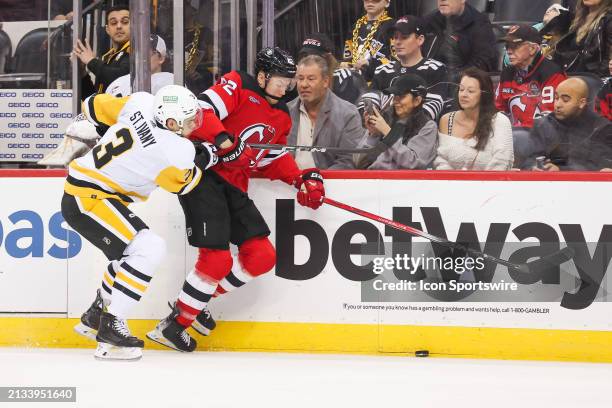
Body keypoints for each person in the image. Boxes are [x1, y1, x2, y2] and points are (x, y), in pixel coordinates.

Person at [145, 48, 326, 352]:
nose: (285, 89)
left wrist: (300, 179)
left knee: (262, 257)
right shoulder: (237, 84)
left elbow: (271, 158)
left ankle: (192, 302)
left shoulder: (281, 116)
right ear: (263, 76)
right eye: (280, 82)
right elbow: (198, 111)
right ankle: (174, 327)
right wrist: (223, 141)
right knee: (217, 260)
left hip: (235, 187)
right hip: (204, 177)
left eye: (288, 83)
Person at [63, 85, 218, 360]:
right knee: (149, 248)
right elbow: (185, 183)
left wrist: (103, 130)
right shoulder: (177, 150)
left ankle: (96, 315)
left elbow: (91, 105)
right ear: (171, 122)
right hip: (89, 198)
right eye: (188, 120)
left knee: (129, 257)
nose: (195, 123)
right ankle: (112, 328)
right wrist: (208, 155)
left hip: (88, 191)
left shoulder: (140, 102)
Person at [38, 34, 174, 167]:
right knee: (80, 123)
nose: (140, 59)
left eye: (146, 54)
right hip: (117, 148)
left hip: (150, 149)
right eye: (137, 54)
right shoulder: (119, 82)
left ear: (161, 58)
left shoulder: (170, 82)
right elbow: (98, 110)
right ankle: (61, 166)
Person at [287, 55, 363, 169]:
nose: (304, 85)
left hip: (328, 184)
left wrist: (316, 180)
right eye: (300, 78)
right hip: (288, 182)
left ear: (325, 81)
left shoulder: (348, 114)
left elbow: (347, 161)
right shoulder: (286, 111)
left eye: (311, 79)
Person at [370, 15, 449, 121]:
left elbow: (432, 109)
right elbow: (367, 103)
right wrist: (371, 119)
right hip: (379, 132)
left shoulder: (436, 69)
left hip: (418, 133)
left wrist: (393, 128)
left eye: (404, 37)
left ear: (420, 40)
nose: (397, 42)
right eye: (395, 37)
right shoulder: (382, 70)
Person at [525, 77, 612, 171]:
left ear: (582, 103)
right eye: (556, 98)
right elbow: (527, 161)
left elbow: (599, 168)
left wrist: (560, 170)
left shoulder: (601, 128)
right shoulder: (543, 124)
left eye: (565, 100)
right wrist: (533, 167)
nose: (558, 105)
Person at [435, 68, 514, 170]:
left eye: (470, 91)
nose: (463, 95)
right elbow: (441, 161)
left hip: (490, 184)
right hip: (452, 184)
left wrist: (480, 184)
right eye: (461, 89)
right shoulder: (446, 120)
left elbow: (501, 162)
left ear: (484, 94)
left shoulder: (500, 121)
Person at [354, 74, 438, 169]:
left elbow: (414, 163)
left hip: (403, 182)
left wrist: (388, 133)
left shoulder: (428, 126)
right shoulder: (384, 118)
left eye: (401, 96)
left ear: (417, 100)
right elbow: (357, 162)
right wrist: (373, 135)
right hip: (370, 180)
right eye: (395, 96)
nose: (395, 101)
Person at [495, 24, 567, 128]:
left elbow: (551, 118)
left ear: (532, 49)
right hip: (512, 136)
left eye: (515, 46)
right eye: (507, 46)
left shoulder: (552, 73)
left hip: (542, 137)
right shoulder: (507, 73)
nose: (509, 51)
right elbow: (498, 111)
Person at [422, 0, 498, 80]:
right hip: (431, 80)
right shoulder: (429, 21)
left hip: (463, 83)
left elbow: (482, 63)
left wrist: (453, 77)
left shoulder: (480, 24)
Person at [73, 4, 130, 93]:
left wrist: (91, 61)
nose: (119, 26)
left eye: (125, 22)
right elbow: (93, 99)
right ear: (107, 29)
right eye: (113, 23)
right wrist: (83, 73)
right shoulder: (107, 57)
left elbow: (120, 78)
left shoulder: (137, 51)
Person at [298, 33, 368, 105]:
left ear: (326, 57)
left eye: (314, 58)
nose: (307, 61)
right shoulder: (301, 80)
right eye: (304, 56)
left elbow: (347, 112)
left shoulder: (342, 77)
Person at [554, 0, 611, 77]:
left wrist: (597, 78)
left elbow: (608, 59)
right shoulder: (578, 18)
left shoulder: (608, 19)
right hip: (572, 73)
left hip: (595, 78)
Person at [342, 0, 395, 81]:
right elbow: (348, 55)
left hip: (380, 81)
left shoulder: (392, 26)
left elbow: (396, 60)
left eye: (376, 0)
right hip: (355, 81)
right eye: (366, 0)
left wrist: (369, 63)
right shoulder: (355, 26)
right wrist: (346, 64)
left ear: (387, 3)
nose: (370, 2)